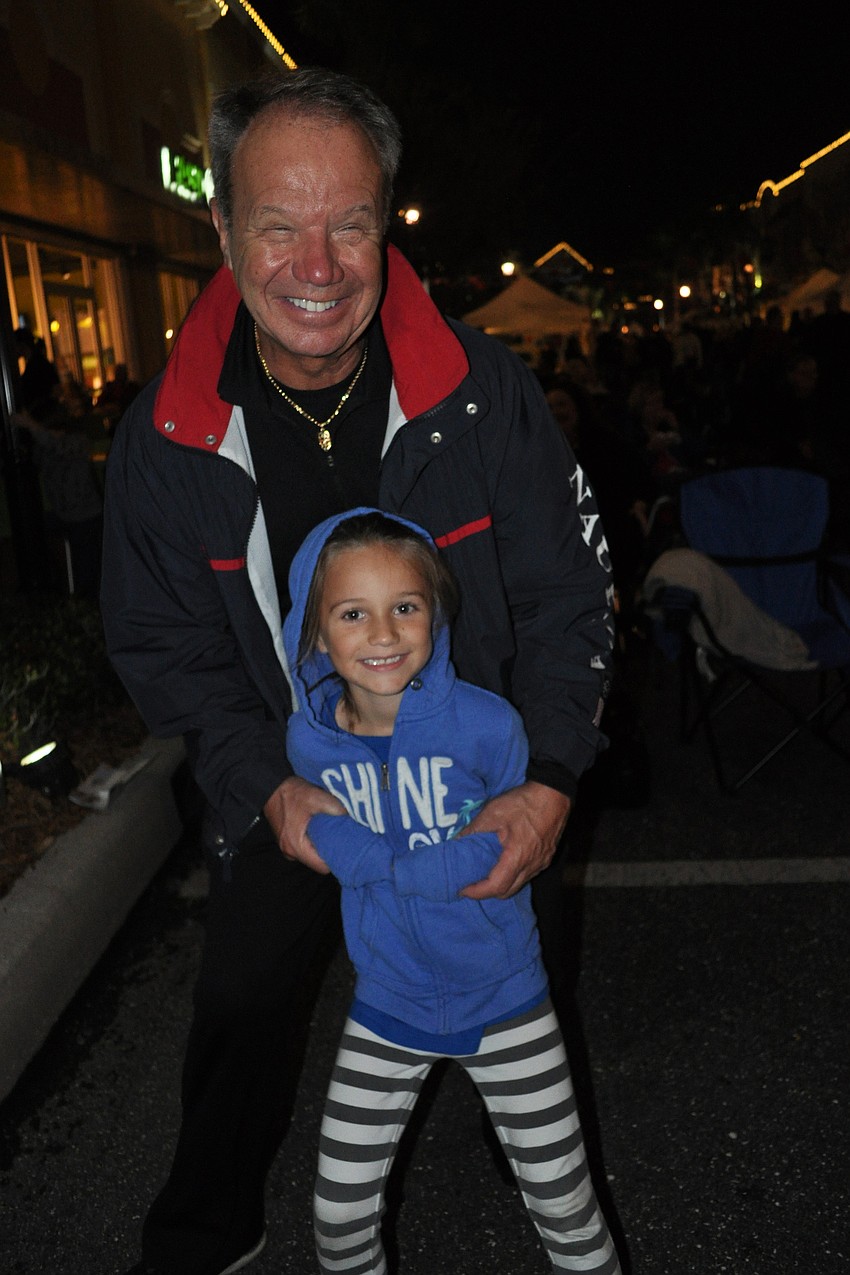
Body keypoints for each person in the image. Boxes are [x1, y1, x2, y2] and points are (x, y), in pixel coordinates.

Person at [100, 66, 613, 1275]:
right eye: (277, 224)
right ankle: (211, 1225)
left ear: (387, 222)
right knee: (239, 1007)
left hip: (478, 777)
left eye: (348, 222)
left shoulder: (483, 397)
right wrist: (260, 787)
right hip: (295, 778)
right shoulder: (167, 434)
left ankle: (525, 1159)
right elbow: (164, 644)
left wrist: (543, 782)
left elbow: (568, 598)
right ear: (224, 231)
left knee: (527, 1006)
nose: (314, 264)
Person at [283, 507, 622, 1274]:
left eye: (405, 606)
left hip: (506, 1000)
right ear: (313, 631)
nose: (383, 632)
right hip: (387, 1002)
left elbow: (511, 835)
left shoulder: (487, 724)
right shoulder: (309, 740)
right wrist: (350, 849)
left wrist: (403, 867)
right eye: (351, 612)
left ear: (436, 613)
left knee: (567, 1208)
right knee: (337, 1221)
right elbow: (316, 830)